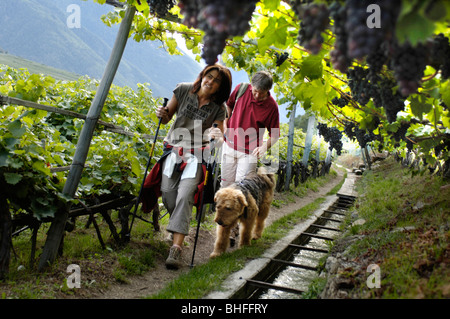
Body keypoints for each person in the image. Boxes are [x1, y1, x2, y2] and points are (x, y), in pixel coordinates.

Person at [148, 64, 232, 270]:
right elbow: (168, 116)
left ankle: (176, 248)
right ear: (203, 76)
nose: (210, 81)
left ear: (221, 87)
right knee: (168, 194)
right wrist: (162, 113)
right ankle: (176, 227)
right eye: (208, 76)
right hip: (173, 149)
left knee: (185, 195)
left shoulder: (219, 109)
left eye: (216, 80)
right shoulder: (184, 89)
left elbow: (220, 139)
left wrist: (217, 136)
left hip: (197, 155)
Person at [221, 70, 280, 188]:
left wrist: (264, 147)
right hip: (228, 146)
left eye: (262, 93)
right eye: (255, 91)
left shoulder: (272, 107)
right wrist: (225, 123)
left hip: (249, 153)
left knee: (242, 188)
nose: (257, 96)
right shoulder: (241, 89)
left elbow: (274, 134)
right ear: (251, 85)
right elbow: (229, 105)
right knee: (225, 186)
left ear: (268, 90)